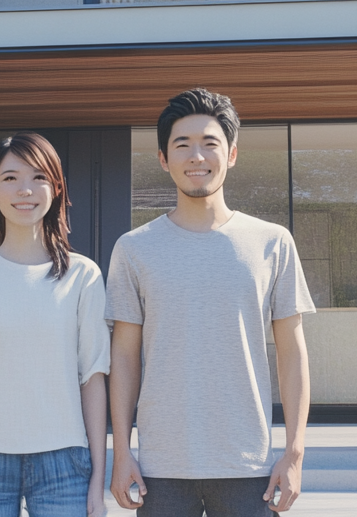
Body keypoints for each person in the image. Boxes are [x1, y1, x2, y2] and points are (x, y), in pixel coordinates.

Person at [106, 88, 314, 516]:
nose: (196, 156)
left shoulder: (272, 242)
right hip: (159, 469)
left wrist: (294, 453)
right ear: (164, 159)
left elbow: (292, 351)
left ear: (232, 153)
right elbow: (124, 357)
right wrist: (121, 452)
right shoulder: (134, 249)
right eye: (182, 145)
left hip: (248, 465)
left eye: (209, 143)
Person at [0, 132, 111, 517]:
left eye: (38, 177)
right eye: (10, 178)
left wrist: (98, 478)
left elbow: (93, 377)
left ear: (56, 187)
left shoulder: (84, 276)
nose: (24, 190)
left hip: (64, 462)